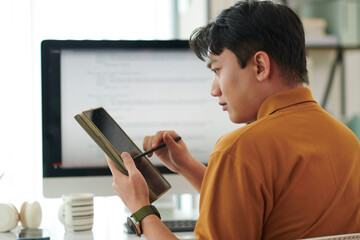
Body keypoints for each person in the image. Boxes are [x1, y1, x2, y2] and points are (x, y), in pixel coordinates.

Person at [106, 1, 360, 239]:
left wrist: (140, 208)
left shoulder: (240, 149)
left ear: (260, 66)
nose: (214, 89)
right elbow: (262, 204)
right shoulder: (348, 140)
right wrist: (187, 166)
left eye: (217, 70)